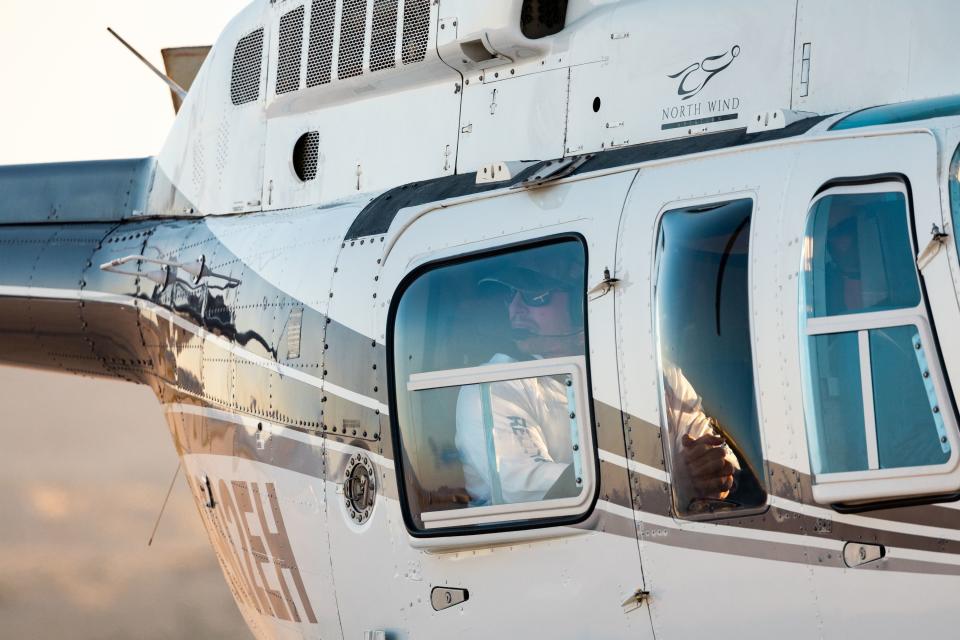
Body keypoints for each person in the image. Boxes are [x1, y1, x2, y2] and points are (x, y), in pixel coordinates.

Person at [454, 248, 740, 508]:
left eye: (534, 296)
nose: (515, 310)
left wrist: (713, 470)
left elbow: (718, 458)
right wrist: (671, 477)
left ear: (581, 304)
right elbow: (539, 496)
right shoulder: (494, 386)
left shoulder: (655, 372)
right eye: (509, 295)